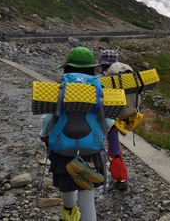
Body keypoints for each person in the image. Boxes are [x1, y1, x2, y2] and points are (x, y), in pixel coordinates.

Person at [40, 47, 114, 221]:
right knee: (86, 192)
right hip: (91, 148)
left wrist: (44, 135)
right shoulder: (99, 90)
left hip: (62, 148)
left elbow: (47, 118)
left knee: (67, 185)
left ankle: (70, 213)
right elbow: (109, 122)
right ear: (91, 69)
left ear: (67, 68)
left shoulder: (60, 88)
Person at [97, 49, 129, 190]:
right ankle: (121, 179)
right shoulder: (124, 78)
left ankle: (96, 175)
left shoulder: (100, 80)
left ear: (102, 64)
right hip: (117, 119)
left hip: (100, 120)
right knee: (115, 149)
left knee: (96, 146)